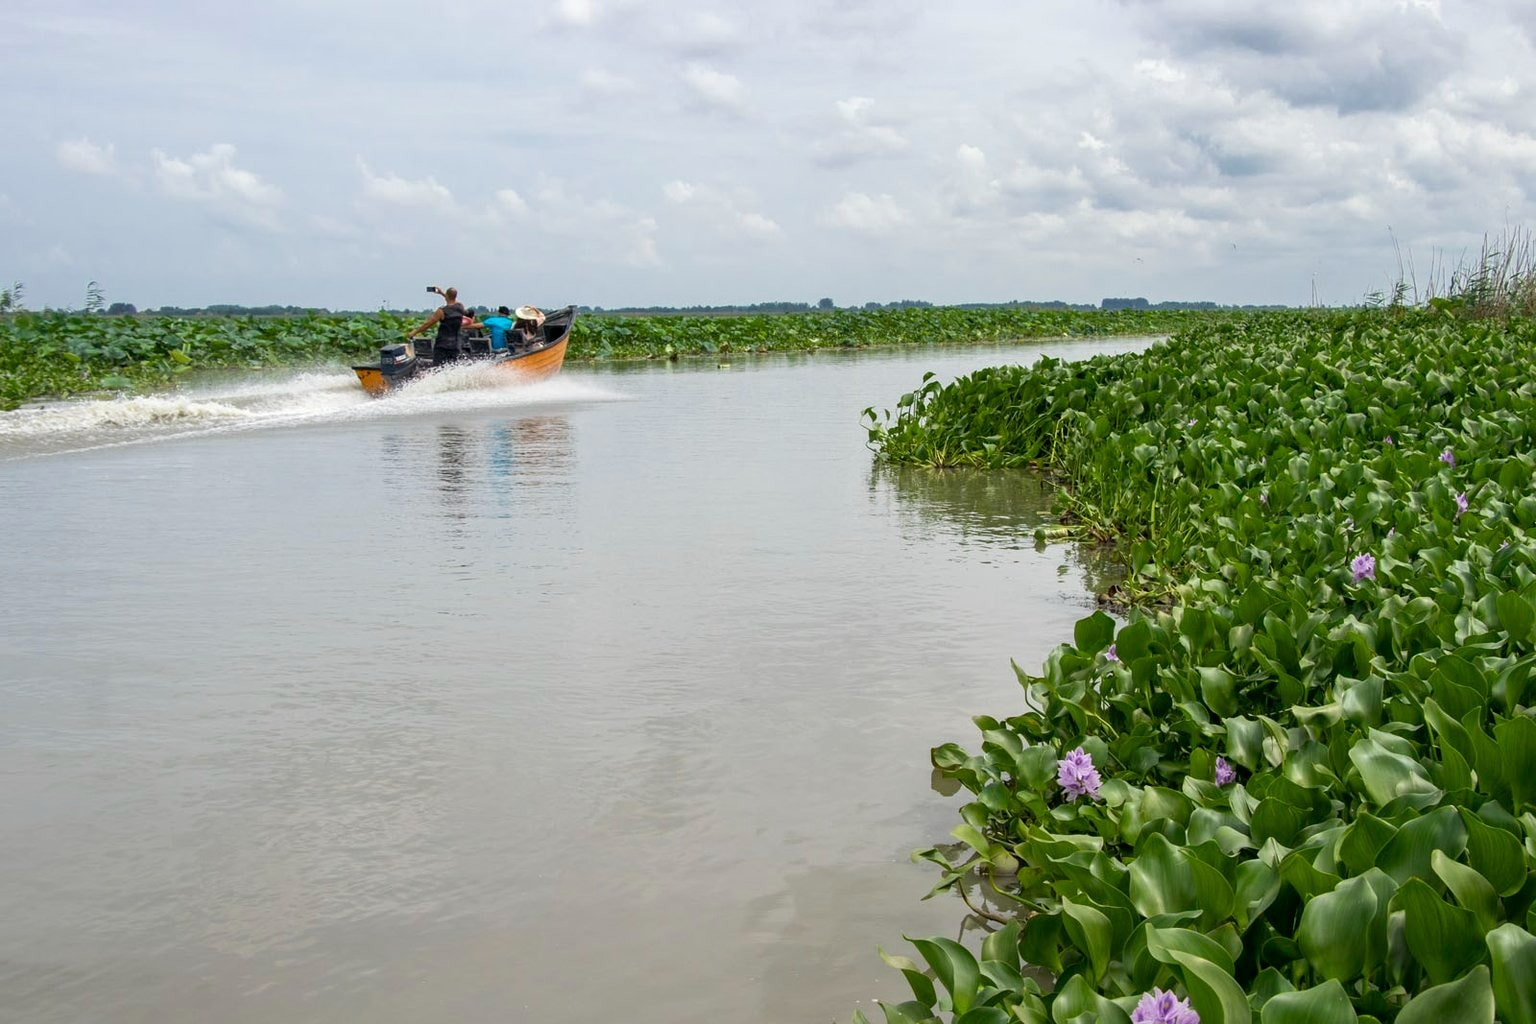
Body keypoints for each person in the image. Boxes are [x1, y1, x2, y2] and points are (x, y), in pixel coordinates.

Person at [409, 285, 470, 364]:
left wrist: (414, 332)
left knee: (438, 367)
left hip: (443, 344)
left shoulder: (442, 311)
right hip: (456, 344)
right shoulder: (460, 307)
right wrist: (442, 293)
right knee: (452, 367)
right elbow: (453, 300)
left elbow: (427, 324)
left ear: (447, 296)